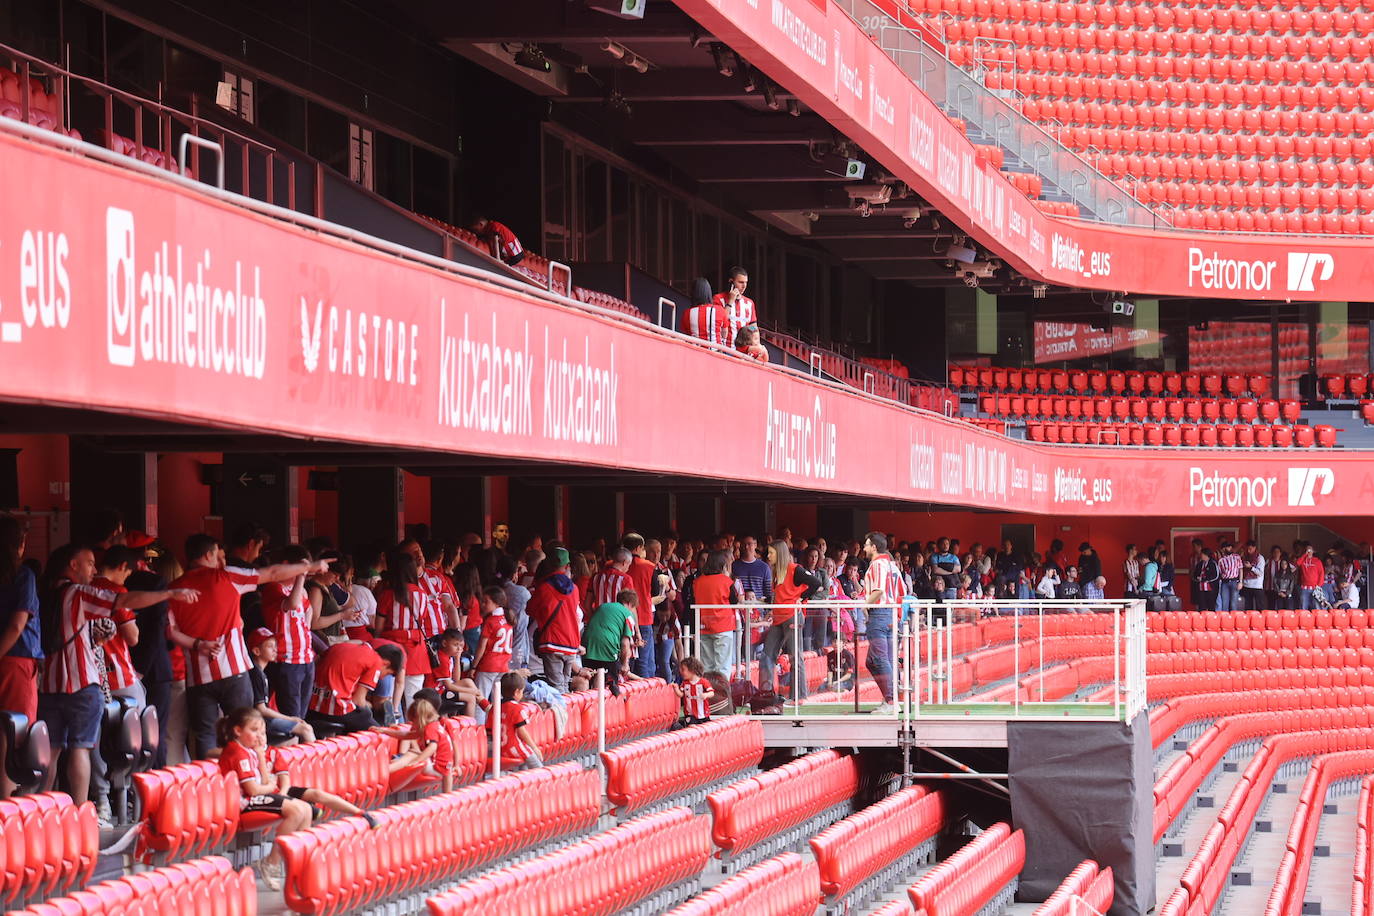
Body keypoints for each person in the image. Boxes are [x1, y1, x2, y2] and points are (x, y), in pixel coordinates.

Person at [167, 533, 327, 758]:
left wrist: (198, 644)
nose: (221, 560)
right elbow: (271, 573)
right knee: (245, 731)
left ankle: (213, 778)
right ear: (209, 555)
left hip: (198, 677)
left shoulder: (174, 589)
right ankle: (248, 773)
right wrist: (308, 567)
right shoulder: (226, 576)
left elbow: (170, 631)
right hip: (234, 672)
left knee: (206, 738)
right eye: (218, 555)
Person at [216, 707, 376, 889]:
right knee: (297, 810)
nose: (259, 736)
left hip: (260, 795)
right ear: (237, 731)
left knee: (306, 809)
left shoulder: (251, 750)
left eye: (262, 731)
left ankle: (300, 868)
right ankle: (271, 862)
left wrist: (266, 776)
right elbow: (253, 790)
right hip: (244, 802)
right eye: (254, 730)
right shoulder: (238, 752)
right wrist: (270, 786)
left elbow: (268, 782)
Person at [0, 515, 40, 798]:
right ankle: (7, 805)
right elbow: (17, 625)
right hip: (16, 661)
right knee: (13, 732)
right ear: (20, 544)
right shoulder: (23, 575)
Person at [760, 540, 822, 701]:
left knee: (795, 655)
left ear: (779, 554)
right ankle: (765, 695)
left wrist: (801, 598)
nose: (768, 556)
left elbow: (816, 583)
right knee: (767, 655)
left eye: (771, 553)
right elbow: (782, 594)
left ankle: (799, 696)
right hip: (779, 617)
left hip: (792, 616)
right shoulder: (776, 572)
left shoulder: (795, 569)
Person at [306, 639, 403, 735]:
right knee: (372, 723)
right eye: (387, 674)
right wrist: (371, 705)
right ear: (386, 663)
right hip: (336, 710)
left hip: (311, 707)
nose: (382, 678)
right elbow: (358, 701)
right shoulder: (376, 661)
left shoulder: (340, 646)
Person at [245, 628, 314, 744]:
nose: (275, 650)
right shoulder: (256, 673)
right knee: (305, 729)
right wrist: (290, 718)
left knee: (300, 730)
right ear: (256, 651)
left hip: (263, 719)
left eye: (275, 646)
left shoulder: (260, 672)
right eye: (270, 646)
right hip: (258, 720)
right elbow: (261, 709)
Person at [527, 548, 582, 690]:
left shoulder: (543, 587)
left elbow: (530, 610)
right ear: (567, 565)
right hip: (571, 643)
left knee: (556, 687)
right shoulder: (575, 589)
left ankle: (562, 705)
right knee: (565, 685)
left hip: (551, 641)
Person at [378, 688, 453, 792]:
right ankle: (393, 765)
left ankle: (383, 772)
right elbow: (407, 735)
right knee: (413, 753)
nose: (413, 724)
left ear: (420, 718)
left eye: (414, 721)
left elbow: (432, 747)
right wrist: (385, 731)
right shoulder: (434, 725)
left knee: (413, 754)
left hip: (436, 768)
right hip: (442, 769)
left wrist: (417, 760)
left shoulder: (431, 728)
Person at [862, 532, 905, 715]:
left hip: (879, 614)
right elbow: (903, 590)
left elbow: (878, 590)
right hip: (891, 615)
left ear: (874, 547)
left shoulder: (878, 564)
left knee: (879, 659)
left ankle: (890, 700)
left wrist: (864, 605)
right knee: (878, 660)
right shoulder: (892, 565)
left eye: (866, 544)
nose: (864, 548)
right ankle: (891, 699)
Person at [581, 590, 639, 697]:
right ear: (630, 604)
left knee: (589, 678)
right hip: (608, 647)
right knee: (610, 684)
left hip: (587, 644)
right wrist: (625, 664)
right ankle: (603, 704)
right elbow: (625, 643)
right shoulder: (628, 615)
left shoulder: (603, 606)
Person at [693, 551, 741, 677]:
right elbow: (734, 601)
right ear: (722, 565)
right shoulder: (726, 581)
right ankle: (722, 689)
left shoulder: (698, 582)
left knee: (706, 666)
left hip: (703, 626)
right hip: (723, 626)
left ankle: (708, 688)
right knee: (723, 666)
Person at [622, 534, 659, 678]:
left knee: (626, 661)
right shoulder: (649, 566)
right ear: (639, 548)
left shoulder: (615, 564)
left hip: (621, 618)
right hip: (643, 616)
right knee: (645, 662)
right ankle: (648, 689)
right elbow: (656, 591)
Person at [491, 672, 542, 770]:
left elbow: (489, 731)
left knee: (523, 769)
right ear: (517, 692)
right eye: (522, 691)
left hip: (498, 749)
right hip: (514, 746)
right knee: (538, 768)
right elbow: (521, 731)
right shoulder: (517, 708)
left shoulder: (494, 708)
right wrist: (534, 747)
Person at [712, 266, 757, 340]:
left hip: (743, 346)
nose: (744, 286)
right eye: (741, 282)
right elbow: (719, 323)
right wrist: (730, 302)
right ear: (731, 282)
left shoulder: (749, 303)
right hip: (723, 345)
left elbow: (754, 326)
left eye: (746, 282)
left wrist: (748, 329)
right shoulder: (718, 299)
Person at [681, 277, 729, 345]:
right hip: (716, 350)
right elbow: (724, 334)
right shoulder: (720, 310)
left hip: (694, 350)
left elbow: (686, 335)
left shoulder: (687, 313)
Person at [672, 656, 713, 728]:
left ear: (692, 670)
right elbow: (681, 694)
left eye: (683, 669)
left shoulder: (703, 682)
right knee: (692, 728)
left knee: (705, 729)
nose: (681, 672)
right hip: (690, 713)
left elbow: (712, 693)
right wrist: (676, 689)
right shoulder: (684, 683)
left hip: (703, 713)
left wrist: (706, 695)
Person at [1294, 543, 1325, 610]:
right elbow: (1297, 563)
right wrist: (1304, 555)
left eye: (1310, 550)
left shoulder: (1317, 561)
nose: (1309, 551)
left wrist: (1318, 586)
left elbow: (1321, 573)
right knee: (1303, 607)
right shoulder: (1302, 560)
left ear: (1313, 551)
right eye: (1307, 550)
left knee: (1317, 607)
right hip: (1304, 588)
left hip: (1315, 588)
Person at [1215, 543, 1242, 612]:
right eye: (1227, 547)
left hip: (1234, 581)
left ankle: (1234, 618)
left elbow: (1240, 569)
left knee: (1233, 604)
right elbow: (1220, 572)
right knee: (1225, 604)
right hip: (1225, 582)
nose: (1229, 549)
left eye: (1230, 547)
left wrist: (1240, 582)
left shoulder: (1237, 557)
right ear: (1223, 549)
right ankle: (1225, 618)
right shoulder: (1221, 560)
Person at [1240, 541, 1266, 611]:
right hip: (1246, 585)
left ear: (1254, 548)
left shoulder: (1260, 558)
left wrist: (1251, 567)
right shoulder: (1245, 557)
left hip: (1257, 585)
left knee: (1259, 607)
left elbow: (1260, 573)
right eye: (1247, 549)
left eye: (1250, 549)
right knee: (1248, 607)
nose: (1248, 551)